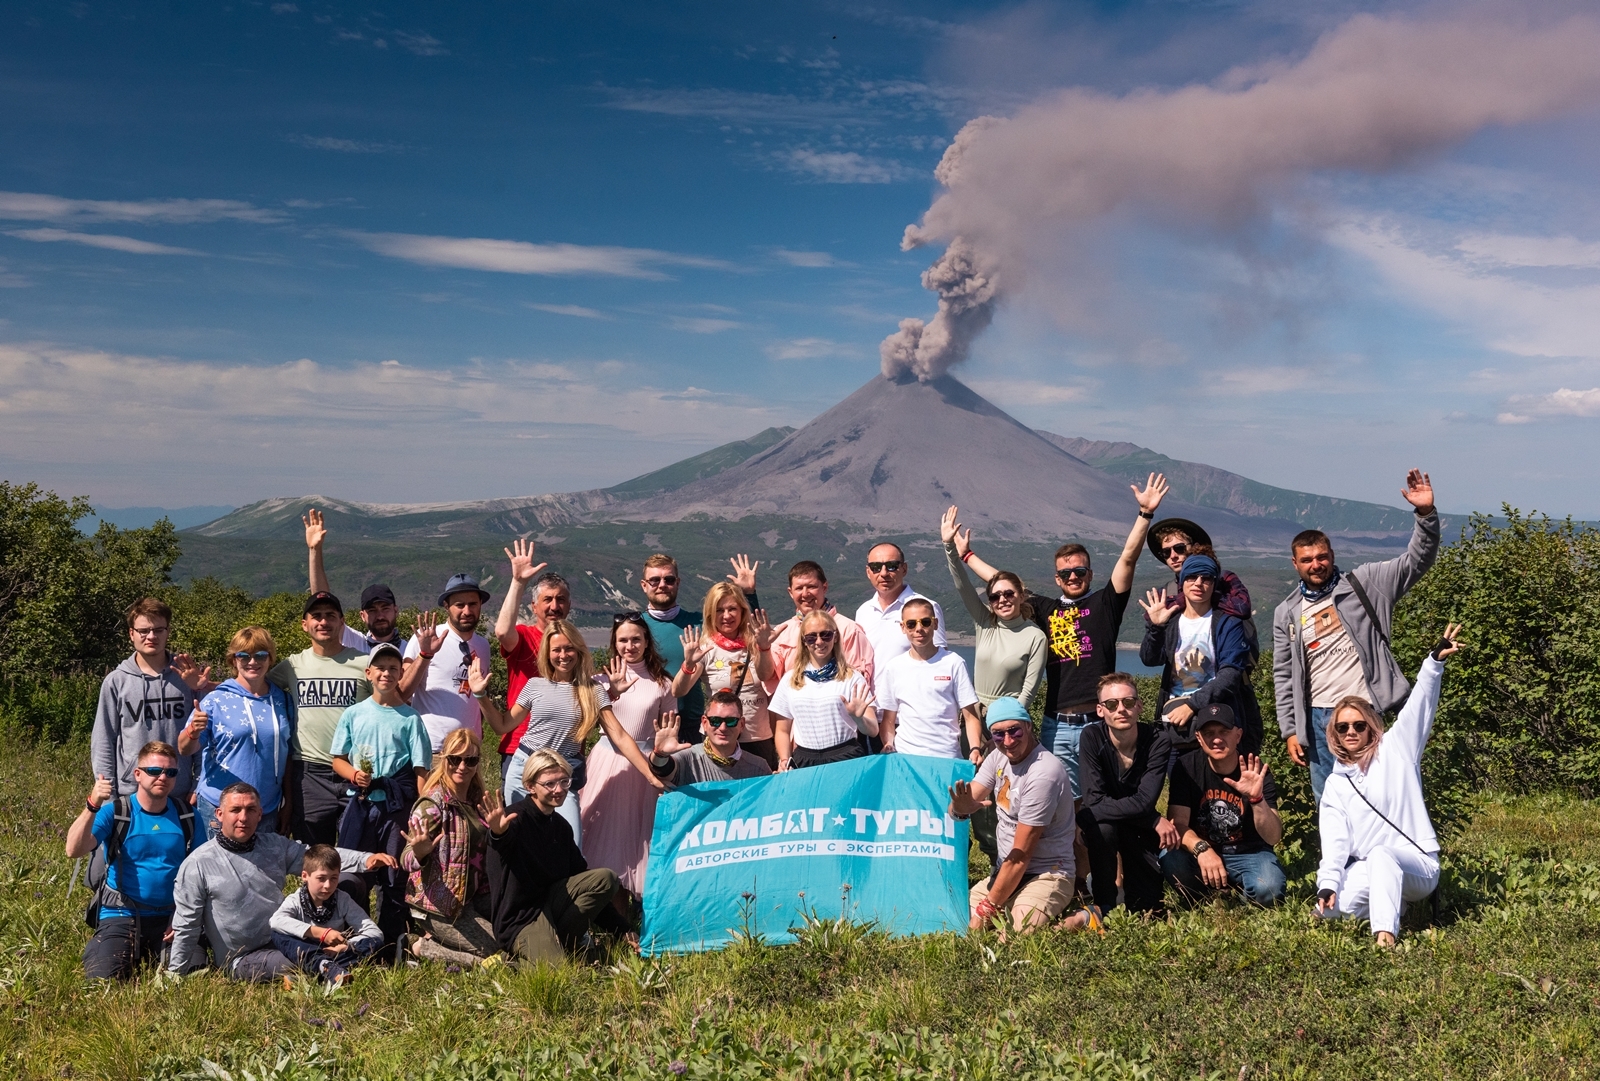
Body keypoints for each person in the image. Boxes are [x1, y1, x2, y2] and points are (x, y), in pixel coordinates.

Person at [959, 475, 1168, 800]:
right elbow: (1003, 584)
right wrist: (966, 555)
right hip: (1057, 724)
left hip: (1099, 723)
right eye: (1066, 573)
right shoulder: (1044, 608)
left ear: (1090, 574)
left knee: (1104, 802)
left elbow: (1128, 558)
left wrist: (1144, 515)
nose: (1073, 577)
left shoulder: (1105, 603)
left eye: (1080, 572)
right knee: (1065, 806)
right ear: (1057, 578)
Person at [1273, 469, 1441, 803]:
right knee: (1330, 801)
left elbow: (1417, 561)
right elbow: (1283, 674)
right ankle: (1339, 858)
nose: (1316, 564)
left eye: (1322, 556)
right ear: (1295, 564)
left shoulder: (1366, 583)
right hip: (1318, 717)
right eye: (1307, 560)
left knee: (1381, 794)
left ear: (1332, 556)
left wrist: (1425, 514)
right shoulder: (1286, 611)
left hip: (1365, 711)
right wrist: (1290, 729)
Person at [1316, 625, 1460, 946]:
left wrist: (1433, 662)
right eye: (1343, 727)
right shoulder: (1336, 785)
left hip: (1418, 864)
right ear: (1335, 733)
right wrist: (1327, 885)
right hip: (1371, 868)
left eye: (1359, 725)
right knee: (1327, 909)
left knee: (1383, 855)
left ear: (1371, 727)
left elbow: (1419, 707)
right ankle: (1398, 905)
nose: (1351, 731)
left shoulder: (1397, 749)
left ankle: (1386, 937)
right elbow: (1336, 844)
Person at [168, 782, 394, 981]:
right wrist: (175, 974)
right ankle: (341, 959)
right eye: (235, 810)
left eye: (250, 810)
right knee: (300, 962)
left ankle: (347, 953)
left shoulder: (274, 846)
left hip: (287, 937)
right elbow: (187, 924)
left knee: (349, 881)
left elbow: (316, 858)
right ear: (219, 814)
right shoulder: (198, 863)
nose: (243, 818)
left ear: (260, 814)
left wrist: (366, 859)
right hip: (242, 958)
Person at [487, 619, 662, 842]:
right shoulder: (534, 685)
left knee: (571, 843)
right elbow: (502, 725)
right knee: (519, 842)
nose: (563, 655)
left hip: (562, 776)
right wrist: (482, 696)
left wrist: (650, 775)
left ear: (579, 650)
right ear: (547, 653)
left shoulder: (592, 690)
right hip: (525, 769)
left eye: (569, 648)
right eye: (556, 650)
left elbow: (618, 735)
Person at [948, 698, 1100, 935]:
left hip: (1047, 873)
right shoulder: (998, 756)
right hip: (1006, 871)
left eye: (1014, 730)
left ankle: (1082, 918)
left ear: (1028, 726)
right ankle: (1009, 905)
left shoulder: (1043, 774)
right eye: (998, 734)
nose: (1008, 741)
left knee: (1017, 935)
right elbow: (964, 803)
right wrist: (959, 808)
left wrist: (986, 909)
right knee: (953, 918)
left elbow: (1020, 857)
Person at [65, 740, 197, 980]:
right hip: (121, 913)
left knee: (194, 973)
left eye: (171, 772)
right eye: (154, 771)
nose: (162, 777)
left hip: (170, 917)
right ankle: (109, 948)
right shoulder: (117, 812)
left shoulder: (186, 814)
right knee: (104, 979)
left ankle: (148, 952)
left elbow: (200, 872)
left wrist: (182, 916)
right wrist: (92, 804)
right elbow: (73, 850)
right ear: (137, 774)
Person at [329, 642, 433, 942]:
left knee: (395, 875)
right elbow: (337, 758)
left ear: (401, 674)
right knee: (355, 871)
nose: (386, 673)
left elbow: (420, 771)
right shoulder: (354, 713)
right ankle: (356, 937)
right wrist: (354, 774)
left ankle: (390, 942)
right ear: (368, 673)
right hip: (362, 804)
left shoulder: (410, 719)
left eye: (393, 669)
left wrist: (422, 811)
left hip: (397, 808)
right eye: (381, 668)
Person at [486, 750, 628, 964]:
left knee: (605, 878)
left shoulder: (560, 827)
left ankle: (561, 944)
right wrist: (497, 833)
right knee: (559, 972)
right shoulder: (514, 819)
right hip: (522, 917)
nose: (559, 789)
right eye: (550, 784)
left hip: (553, 907)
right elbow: (501, 844)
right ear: (530, 786)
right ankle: (514, 961)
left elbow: (581, 876)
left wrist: (622, 930)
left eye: (564, 781)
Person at [580, 614, 677, 899]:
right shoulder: (599, 679)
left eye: (636, 639)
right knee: (598, 825)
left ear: (647, 642)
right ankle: (597, 891)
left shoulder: (663, 683)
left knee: (637, 832)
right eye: (623, 640)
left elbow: (668, 729)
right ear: (615, 643)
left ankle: (632, 901)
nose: (630, 646)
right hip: (606, 760)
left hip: (644, 762)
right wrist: (611, 691)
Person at [269, 591, 372, 845]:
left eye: (330, 616)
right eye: (316, 616)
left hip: (355, 770)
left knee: (357, 852)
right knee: (314, 857)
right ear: (305, 625)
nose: (323, 622)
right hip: (309, 774)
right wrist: (208, 686)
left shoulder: (364, 663)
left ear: (341, 622)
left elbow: (391, 702)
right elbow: (252, 686)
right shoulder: (293, 665)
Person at [1160, 703, 1287, 906]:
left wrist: (1256, 799)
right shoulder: (1186, 767)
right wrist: (1202, 849)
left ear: (1238, 735)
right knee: (1171, 858)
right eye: (1209, 733)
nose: (1217, 739)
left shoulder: (1256, 769)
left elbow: (1273, 837)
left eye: (1224, 732)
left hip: (1248, 851)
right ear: (1199, 738)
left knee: (1269, 889)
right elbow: (1178, 823)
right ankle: (1206, 897)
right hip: (1202, 850)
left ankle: (1239, 895)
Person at [399, 728, 502, 968]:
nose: (462, 766)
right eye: (455, 759)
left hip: (473, 898)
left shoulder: (478, 800)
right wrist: (420, 852)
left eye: (470, 760)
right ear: (444, 759)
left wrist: (499, 832)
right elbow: (405, 859)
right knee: (495, 953)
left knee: (510, 939)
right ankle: (417, 946)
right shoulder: (432, 804)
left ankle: (438, 941)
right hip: (438, 905)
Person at [1076, 674, 1177, 916]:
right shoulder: (1091, 737)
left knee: (1147, 908)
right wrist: (1152, 819)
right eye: (1112, 704)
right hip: (1108, 826)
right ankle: (1104, 903)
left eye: (1128, 702)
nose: (1121, 709)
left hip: (1139, 830)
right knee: (1103, 829)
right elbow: (1093, 799)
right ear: (1101, 710)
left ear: (1139, 706)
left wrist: (1146, 815)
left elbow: (1145, 801)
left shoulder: (1158, 741)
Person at [179, 626, 293, 840]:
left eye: (260, 654)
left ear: (270, 658)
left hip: (265, 809)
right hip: (219, 809)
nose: (253, 661)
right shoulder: (215, 700)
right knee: (216, 872)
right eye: (244, 656)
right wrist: (193, 731)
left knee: (260, 873)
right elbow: (184, 748)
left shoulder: (283, 701)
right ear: (233, 660)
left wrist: (288, 803)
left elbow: (287, 756)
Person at [91, 597, 210, 801]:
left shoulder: (187, 678)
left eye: (158, 630)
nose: (151, 636)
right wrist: (109, 797)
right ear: (131, 634)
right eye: (143, 631)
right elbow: (104, 741)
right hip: (132, 794)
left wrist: (199, 783)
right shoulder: (116, 682)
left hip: (180, 792)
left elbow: (204, 736)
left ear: (168, 632)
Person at [1139, 554, 1255, 755]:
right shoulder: (1173, 619)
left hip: (1217, 719)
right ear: (1182, 582)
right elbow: (1150, 659)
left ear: (1213, 584)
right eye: (1192, 577)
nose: (1198, 583)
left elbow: (1231, 674)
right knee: (1181, 782)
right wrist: (1156, 628)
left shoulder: (1228, 621)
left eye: (1206, 578)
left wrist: (1192, 704)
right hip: (1176, 722)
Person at [642, 553, 762, 744]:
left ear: (678, 582)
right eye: (655, 580)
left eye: (669, 579)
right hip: (649, 726)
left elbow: (748, 629)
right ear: (644, 584)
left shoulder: (699, 623)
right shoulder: (636, 628)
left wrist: (749, 594)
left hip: (692, 725)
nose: (662, 585)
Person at [939, 506, 1048, 711]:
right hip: (974, 713)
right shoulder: (985, 622)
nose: (1002, 600)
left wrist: (1007, 721)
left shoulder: (1035, 636)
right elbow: (962, 585)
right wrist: (949, 546)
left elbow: (1029, 691)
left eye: (1009, 594)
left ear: (1021, 596)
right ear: (990, 601)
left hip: (1009, 717)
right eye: (995, 596)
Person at [674, 582, 777, 769]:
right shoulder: (706, 648)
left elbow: (765, 674)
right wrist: (688, 664)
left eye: (732, 609)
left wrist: (763, 648)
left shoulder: (755, 641)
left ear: (742, 611)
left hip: (757, 736)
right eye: (720, 610)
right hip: (719, 736)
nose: (727, 616)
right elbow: (679, 690)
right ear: (711, 614)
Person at [874, 598, 982, 763]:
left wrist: (975, 748)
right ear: (903, 627)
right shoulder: (894, 668)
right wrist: (888, 743)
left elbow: (970, 716)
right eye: (911, 624)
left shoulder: (954, 663)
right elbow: (888, 719)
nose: (919, 629)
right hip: (907, 759)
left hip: (947, 757)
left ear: (935, 624)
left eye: (925, 622)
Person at [493, 539, 569, 771]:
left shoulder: (573, 645)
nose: (554, 606)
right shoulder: (524, 636)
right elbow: (502, 632)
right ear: (534, 607)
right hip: (520, 747)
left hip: (562, 748)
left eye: (561, 599)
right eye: (547, 599)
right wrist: (518, 582)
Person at [769, 610, 879, 770]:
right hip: (804, 760)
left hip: (846, 758)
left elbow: (873, 730)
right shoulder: (790, 679)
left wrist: (859, 719)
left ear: (835, 637)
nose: (819, 641)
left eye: (825, 635)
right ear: (804, 641)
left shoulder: (852, 678)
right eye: (811, 637)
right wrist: (784, 760)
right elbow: (782, 730)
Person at [269, 844, 383, 986]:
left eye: (334, 878)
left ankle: (318, 973)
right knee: (277, 934)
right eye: (321, 878)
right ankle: (325, 967)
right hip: (306, 950)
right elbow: (276, 921)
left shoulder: (342, 899)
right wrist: (322, 933)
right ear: (305, 876)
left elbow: (373, 932)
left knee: (375, 942)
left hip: (336, 952)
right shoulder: (295, 900)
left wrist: (346, 946)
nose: (328, 885)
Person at [402, 575, 493, 753]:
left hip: (469, 753)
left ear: (480, 604)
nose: (467, 611)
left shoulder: (483, 645)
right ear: (446, 606)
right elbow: (402, 691)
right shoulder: (427, 637)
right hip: (432, 750)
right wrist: (425, 655)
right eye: (459, 605)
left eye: (473, 604)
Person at [763, 561, 875, 701]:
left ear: (825, 587)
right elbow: (767, 676)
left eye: (811, 587)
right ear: (790, 592)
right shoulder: (782, 632)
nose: (805, 594)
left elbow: (858, 685)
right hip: (794, 716)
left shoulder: (848, 630)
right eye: (799, 588)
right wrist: (763, 648)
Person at [304, 508, 409, 654]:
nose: (379, 616)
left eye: (385, 609)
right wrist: (315, 550)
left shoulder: (412, 650)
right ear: (362, 616)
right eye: (372, 611)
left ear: (396, 610)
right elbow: (322, 599)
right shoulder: (355, 643)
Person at [650, 689, 774, 786]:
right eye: (715, 720)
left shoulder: (758, 768)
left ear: (741, 724)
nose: (723, 727)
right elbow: (662, 771)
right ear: (704, 723)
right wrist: (660, 754)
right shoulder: (688, 759)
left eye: (731, 721)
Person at [853, 542, 947, 667]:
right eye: (876, 567)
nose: (884, 573)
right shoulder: (863, 611)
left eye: (891, 566)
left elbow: (940, 659)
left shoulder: (927, 607)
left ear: (904, 569)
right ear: (868, 572)